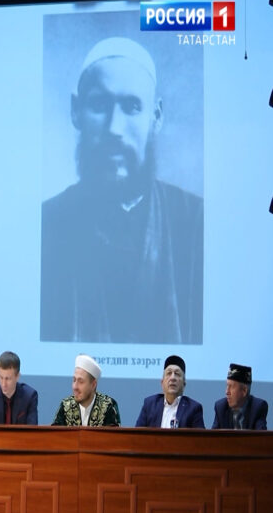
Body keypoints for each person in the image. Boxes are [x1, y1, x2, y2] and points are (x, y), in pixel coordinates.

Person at [40, 37, 203, 344]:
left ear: (156, 117)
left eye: (132, 107)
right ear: (76, 110)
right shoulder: (46, 223)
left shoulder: (195, 222)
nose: (115, 128)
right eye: (100, 105)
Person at [135, 355, 204, 428]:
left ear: (184, 384)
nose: (172, 378)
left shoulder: (193, 408)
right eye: (169, 373)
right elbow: (137, 433)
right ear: (162, 383)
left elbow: (200, 435)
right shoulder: (150, 405)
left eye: (177, 374)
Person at [52, 354, 120, 426]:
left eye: (81, 382)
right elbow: (55, 432)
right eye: (74, 380)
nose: (75, 387)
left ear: (93, 384)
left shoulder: (108, 406)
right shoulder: (65, 406)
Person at [0, 351, 38, 425]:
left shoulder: (29, 397)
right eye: (1, 377)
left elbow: (32, 429)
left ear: (17, 376)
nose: (3, 384)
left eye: (8, 379)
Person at [212, 363, 268, 430]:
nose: (227, 392)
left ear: (244, 391)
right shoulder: (221, 407)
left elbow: (261, 435)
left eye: (231, 387)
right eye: (227, 386)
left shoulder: (258, 407)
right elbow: (213, 435)